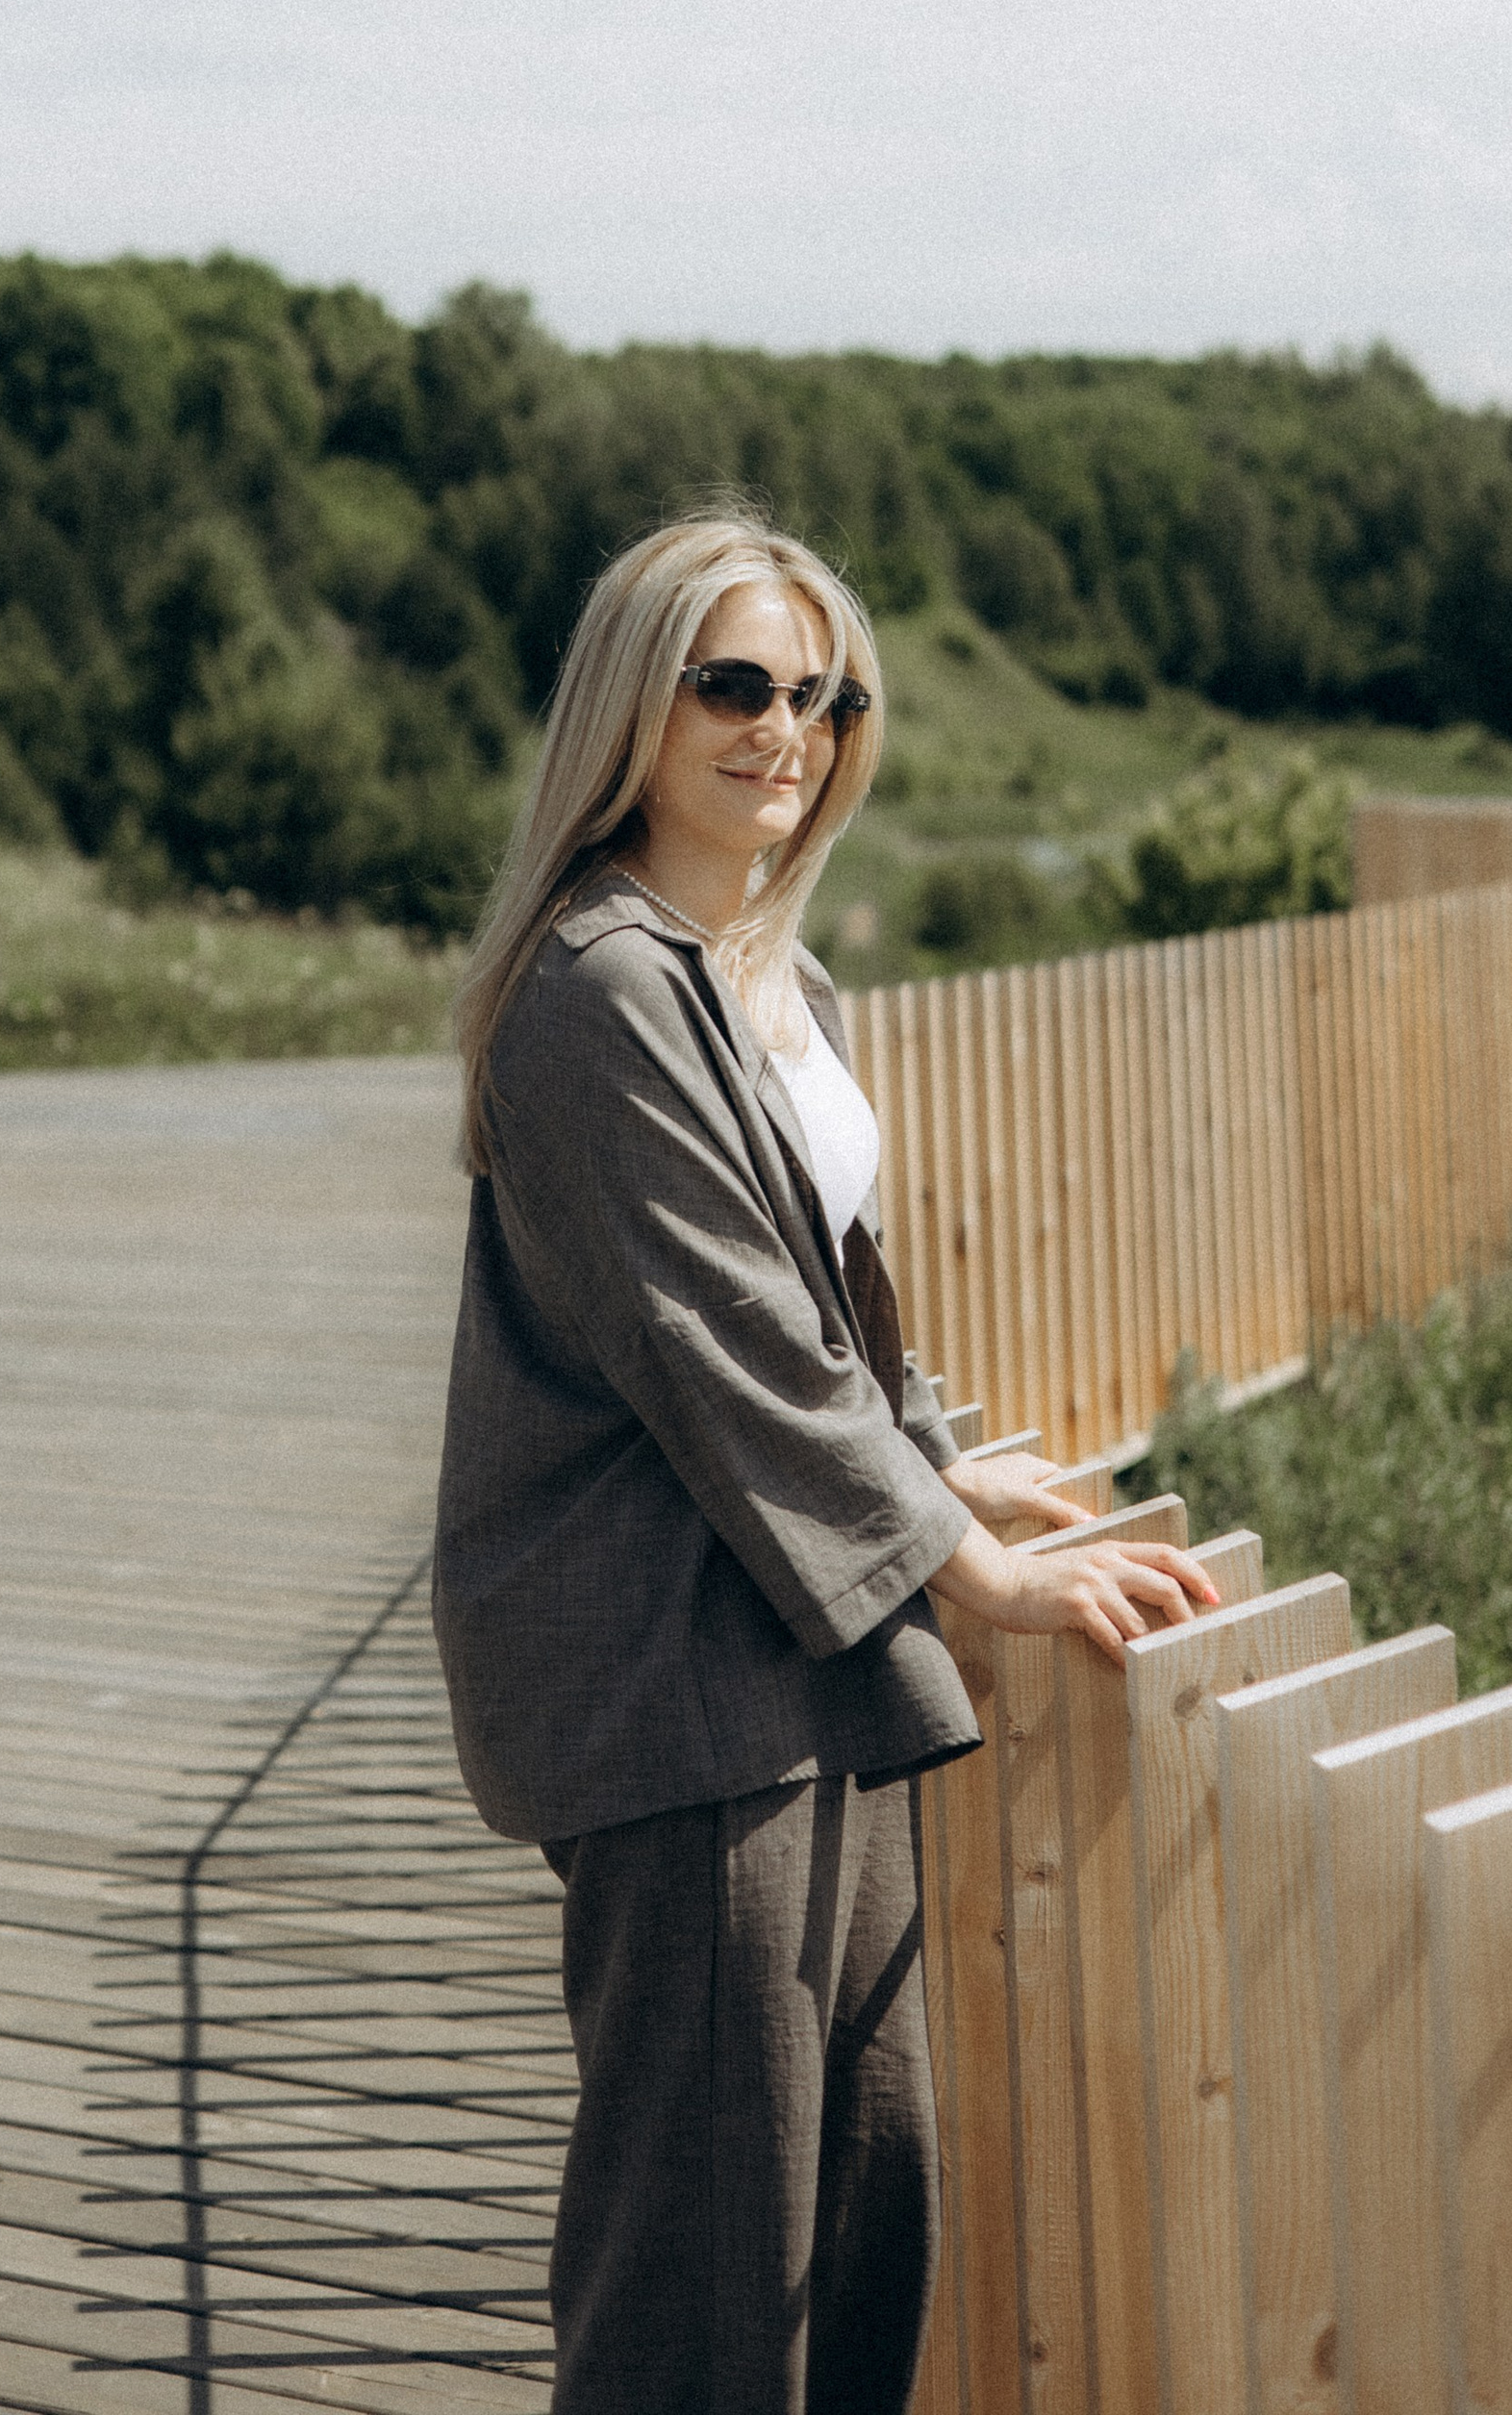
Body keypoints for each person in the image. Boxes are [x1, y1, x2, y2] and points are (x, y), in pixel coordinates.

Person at [432, 508, 1218, 2415]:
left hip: (802, 1664)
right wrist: (979, 1574)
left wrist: (950, 1475)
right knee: (700, 2266)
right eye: (730, 684)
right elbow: (732, 1352)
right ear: (636, 698)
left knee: (853, 2208)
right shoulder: (600, 991)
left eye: (815, 692)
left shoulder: (757, 976)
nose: (779, 728)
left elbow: (833, 1313)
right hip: (676, 1687)